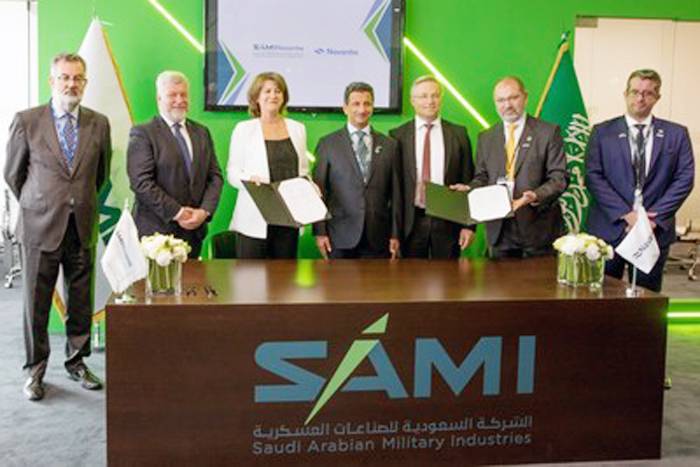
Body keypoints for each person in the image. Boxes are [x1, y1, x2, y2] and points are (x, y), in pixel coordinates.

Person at [4, 53, 112, 400]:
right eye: (65, 78)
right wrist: (42, 201)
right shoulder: (27, 120)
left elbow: (101, 175)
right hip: (39, 227)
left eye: (78, 78)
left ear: (85, 82)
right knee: (35, 304)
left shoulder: (99, 123)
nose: (72, 84)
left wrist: (74, 202)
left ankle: (77, 362)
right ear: (52, 81)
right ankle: (35, 370)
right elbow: (12, 174)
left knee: (80, 300)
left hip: (81, 225)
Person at [586, 69, 695, 292]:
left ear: (657, 98)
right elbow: (593, 176)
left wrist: (651, 220)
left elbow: (684, 179)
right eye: (635, 92)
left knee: (648, 300)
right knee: (603, 296)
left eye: (648, 93)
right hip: (610, 229)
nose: (640, 98)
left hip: (654, 231)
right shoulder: (601, 132)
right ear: (625, 94)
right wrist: (626, 215)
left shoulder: (677, 134)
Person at [463, 76, 567, 258]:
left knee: (538, 286)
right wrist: (469, 188)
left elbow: (560, 178)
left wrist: (535, 195)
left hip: (537, 229)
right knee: (499, 286)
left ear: (525, 97)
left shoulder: (548, 132)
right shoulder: (486, 138)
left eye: (513, 98)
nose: (507, 105)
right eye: (501, 100)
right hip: (499, 230)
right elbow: (482, 177)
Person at [127, 71, 223, 258]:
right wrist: (177, 212)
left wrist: (204, 212)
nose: (179, 100)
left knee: (193, 286)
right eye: (173, 95)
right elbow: (141, 182)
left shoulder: (202, 133)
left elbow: (215, 177)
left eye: (183, 94)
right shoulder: (143, 133)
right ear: (159, 98)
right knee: (158, 288)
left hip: (194, 234)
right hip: (156, 236)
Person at [389, 75, 475, 258]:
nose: (430, 101)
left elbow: (469, 180)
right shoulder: (397, 136)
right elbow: (394, 189)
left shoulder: (459, 134)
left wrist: (469, 226)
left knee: (449, 282)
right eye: (423, 96)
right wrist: (394, 232)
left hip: (448, 221)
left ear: (441, 98)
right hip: (411, 223)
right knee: (410, 282)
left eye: (435, 95)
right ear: (413, 101)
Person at [313, 82, 401, 259]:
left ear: (373, 107)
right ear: (345, 108)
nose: (362, 109)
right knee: (339, 287)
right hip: (338, 236)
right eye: (356, 104)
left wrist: (395, 234)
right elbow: (319, 191)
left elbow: (396, 194)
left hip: (378, 237)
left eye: (367, 104)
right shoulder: (328, 144)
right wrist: (320, 231)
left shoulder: (390, 145)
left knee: (377, 287)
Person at [227, 72, 309, 258]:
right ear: (256, 97)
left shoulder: (298, 129)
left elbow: (303, 170)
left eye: (278, 91)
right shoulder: (243, 129)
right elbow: (232, 172)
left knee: (284, 280)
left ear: (284, 97)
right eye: (267, 91)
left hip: (289, 217)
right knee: (251, 280)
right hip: (254, 216)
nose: (273, 95)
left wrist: (310, 186)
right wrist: (248, 179)